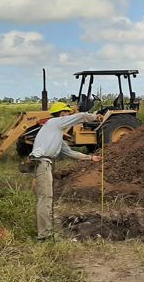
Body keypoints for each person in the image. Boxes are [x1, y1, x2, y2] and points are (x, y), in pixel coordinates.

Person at [29, 102, 102, 240]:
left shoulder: (55, 133)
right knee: (45, 199)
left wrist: (91, 158)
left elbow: (70, 153)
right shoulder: (54, 123)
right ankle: (45, 235)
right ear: (62, 114)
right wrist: (94, 116)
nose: (69, 116)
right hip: (42, 162)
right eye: (68, 113)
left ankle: (46, 232)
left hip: (44, 163)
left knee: (46, 198)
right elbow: (80, 116)